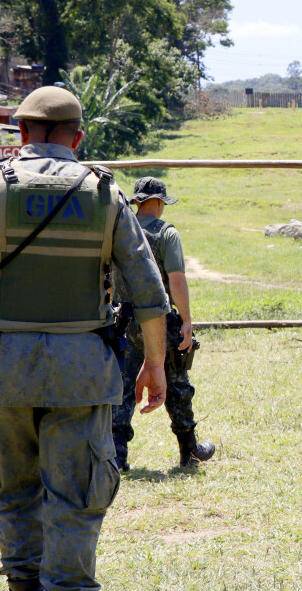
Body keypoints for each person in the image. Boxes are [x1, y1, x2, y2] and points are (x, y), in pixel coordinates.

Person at [0, 86, 171, 591]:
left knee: (14, 489)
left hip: (8, 365)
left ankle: (22, 583)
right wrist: (155, 362)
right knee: (78, 493)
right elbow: (149, 291)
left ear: (20, 132)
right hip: (83, 368)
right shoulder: (105, 193)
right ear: (78, 137)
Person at [112, 176, 215, 471]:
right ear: (159, 202)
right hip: (158, 320)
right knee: (176, 382)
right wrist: (186, 320)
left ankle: (117, 455)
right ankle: (189, 449)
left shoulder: (121, 230)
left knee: (121, 385)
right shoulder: (166, 233)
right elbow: (177, 279)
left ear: (137, 201)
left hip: (122, 319)